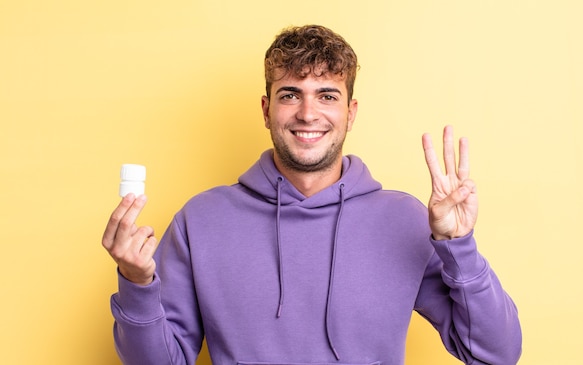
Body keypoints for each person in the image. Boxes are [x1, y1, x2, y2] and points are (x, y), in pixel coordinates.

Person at [102, 25, 522, 365]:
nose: (308, 113)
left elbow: (495, 354)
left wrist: (458, 246)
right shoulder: (201, 220)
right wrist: (137, 284)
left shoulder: (405, 219)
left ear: (350, 113)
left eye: (327, 95)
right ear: (266, 110)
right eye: (290, 95)